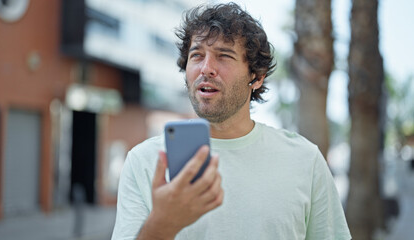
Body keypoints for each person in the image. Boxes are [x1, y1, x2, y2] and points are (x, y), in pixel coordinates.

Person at [111, 2, 351, 240]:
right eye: (197, 55)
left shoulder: (305, 160)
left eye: (223, 56)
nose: (206, 68)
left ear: (256, 77)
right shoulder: (143, 162)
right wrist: (162, 224)